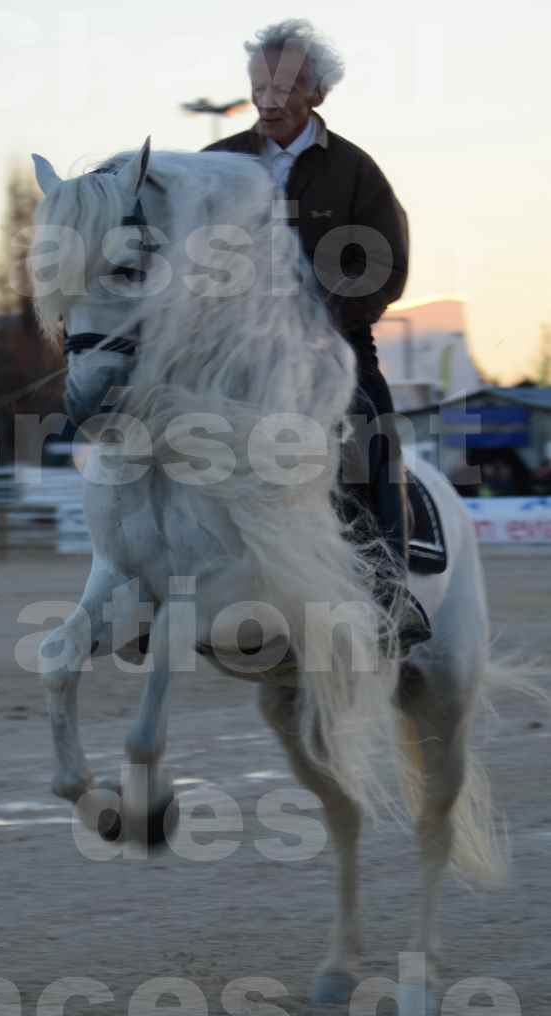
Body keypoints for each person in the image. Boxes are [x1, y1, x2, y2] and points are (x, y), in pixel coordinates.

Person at [203, 18, 431, 650]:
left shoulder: (356, 170)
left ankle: (389, 594)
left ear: (317, 95)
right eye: (259, 84)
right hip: (228, 350)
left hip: (332, 349)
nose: (269, 98)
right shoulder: (211, 166)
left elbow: (384, 263)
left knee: (372, 439)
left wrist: (320, 317)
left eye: (284, 85)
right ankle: (140, 585)